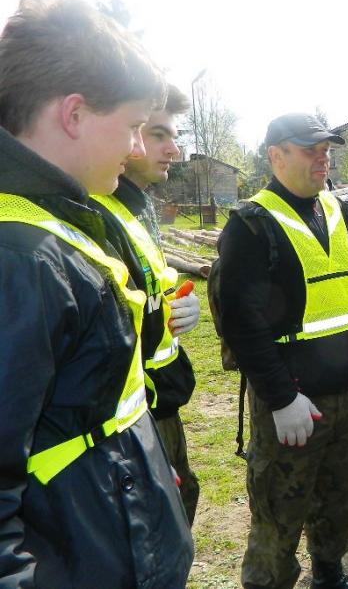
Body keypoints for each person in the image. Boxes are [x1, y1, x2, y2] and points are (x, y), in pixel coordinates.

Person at [0, 0, 192, 588]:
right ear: (75, 114)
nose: (137, 148)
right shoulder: (21, 257)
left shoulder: (60, 219)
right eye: (133, 127)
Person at [217, 112, 348, 589]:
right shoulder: (252, 224)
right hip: (292, 402)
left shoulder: (336, 209)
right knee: (279, 513)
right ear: (277, 156)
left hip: (343, 394)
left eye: (326, 149)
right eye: (310, 149)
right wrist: (280, 398)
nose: (322, 158)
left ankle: (328, 575)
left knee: (342, 498)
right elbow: (241, 324)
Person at [91, 83, 202, 523]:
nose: (172, 149)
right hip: (133, 415)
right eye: (156, 133)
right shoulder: (99, 211)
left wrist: (177, 306)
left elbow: (144, 287)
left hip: (160, 402)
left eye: (172, 136)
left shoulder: (138, 204)